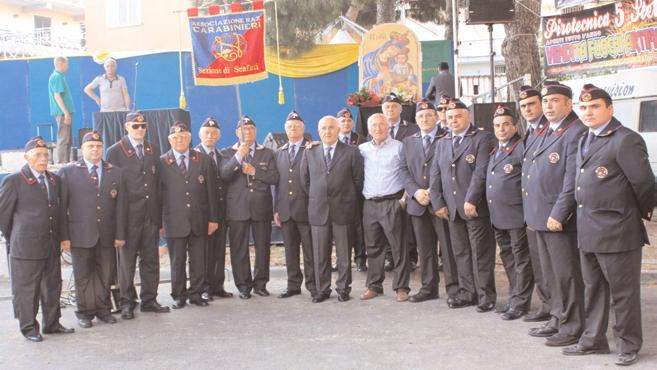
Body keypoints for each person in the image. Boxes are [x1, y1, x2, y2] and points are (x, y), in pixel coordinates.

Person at [562, 85, 655, 366]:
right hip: (588, 228)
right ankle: (594, 339)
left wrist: (629, 214)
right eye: (584, 107)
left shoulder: (625, 139)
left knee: (623, 294)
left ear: (610, 109)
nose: (588, 112)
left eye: (595, 107)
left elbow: (645, 184)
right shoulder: (584, 138)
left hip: (617, 231)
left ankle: (628, 345)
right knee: (594, 289)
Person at [524, 81, 586, 347]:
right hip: (539, 216)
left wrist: (559, 213)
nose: (549, 106)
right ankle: (558, 317)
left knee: (567, 275)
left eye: (555, 101)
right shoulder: (546, 131)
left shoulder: (575, 132)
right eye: (546, 102)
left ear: (569, 104)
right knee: (550, 275)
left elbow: (572, 180)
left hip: (559, 219)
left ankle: (572, 327)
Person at [0, 137, 74, 342]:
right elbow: (3, 215)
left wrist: (63, 237)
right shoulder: (14, 181)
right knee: (28, 290)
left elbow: (60, 212)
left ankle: (52, 323)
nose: (43, 159)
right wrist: (15, 236)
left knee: (52, 286)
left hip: (50, 243)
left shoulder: (54, 180)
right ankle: (29, 327)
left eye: (45, 155)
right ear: (26, 157)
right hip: (26, 246)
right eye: (37, 155)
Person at [429, 98, 497, 311]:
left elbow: (481, 172)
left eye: (458, 116)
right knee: (461, 253)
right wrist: (438, 202)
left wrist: (471, 199)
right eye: (450, 117)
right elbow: (436, 174)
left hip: (474, 208)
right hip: (452, 209)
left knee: (480, 253)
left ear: (468, 116)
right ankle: (468, 293)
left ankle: (486, 295)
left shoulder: (481, 138)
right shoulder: (441, 142)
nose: (454, 120)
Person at [59, 131, 127, 328]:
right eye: (90, 146)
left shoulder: (115, 172)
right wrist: (64, 237)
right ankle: (85, 312)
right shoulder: (68, 172)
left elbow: (121, 207)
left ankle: (103, 310)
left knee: (105, 274)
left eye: (98, 146)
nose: (95, 150)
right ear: (82, 149)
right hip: (79, 235)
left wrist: (120, 234)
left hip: (106, 234)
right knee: (83, 276)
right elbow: (62, 208)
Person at [105, 112, 169, 319]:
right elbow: (111, 187)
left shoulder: (152, 149)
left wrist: (159, 218)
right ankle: (127, 302)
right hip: (128, 217)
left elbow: (158, 185)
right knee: (127, 264)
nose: (140, 129)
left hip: (149, 216)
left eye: (143, 126)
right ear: (126, 127)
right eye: (135, 126)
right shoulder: (115, 151)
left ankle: (149, 299)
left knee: (151, 260)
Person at [301, 116, 364, 303]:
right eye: (323, 128)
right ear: (318, 131)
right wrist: (318, 195)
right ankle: (322, 289)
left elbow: (357, 180)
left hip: (343, 210)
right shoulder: (310, 152)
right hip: (318, 210)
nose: (327, 131)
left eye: (331, 128)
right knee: (320, 254)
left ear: (338, 130)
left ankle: (343, 288)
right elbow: (305, 181)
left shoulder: (352, 152)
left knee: (344, 254)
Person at [400, 99, 457, 304]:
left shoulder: (447, 137)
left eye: (429, 115)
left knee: (448, 249)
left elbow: (449, 170)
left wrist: (433, 193)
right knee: (425, 249)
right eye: (421, 116)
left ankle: (454, 288)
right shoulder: (408, 141)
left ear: (436, 117)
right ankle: (428, 287)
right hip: (418, 204)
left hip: (441, 203)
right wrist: (415, 192)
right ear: (416, 119)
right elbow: (403, 170)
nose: (425, 119)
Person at [160, 122, 218, 309]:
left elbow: (212, 192)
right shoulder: (162, 162)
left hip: (199, 219)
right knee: (177, 261)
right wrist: (160, 222)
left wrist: (213, 219)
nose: (179, 140)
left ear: (190, 138)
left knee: (198, 260)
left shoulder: (202, 160)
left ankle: (196, 293)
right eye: (176, 137)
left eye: (183, 137)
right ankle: (178, 295)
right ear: (169, 140)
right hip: (173, 220)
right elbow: (158, 195)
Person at [220, 116, 278, 299]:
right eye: (243, 129)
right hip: (237, 208)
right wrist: (238, 157)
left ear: (256, 131)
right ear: (237, 132)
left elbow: (274, 177)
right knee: (239, 248)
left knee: (263, 247)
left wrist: (254, 171)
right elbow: (224, 174)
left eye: (251, 129)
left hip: (261, 206)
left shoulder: (267, 153)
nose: (247, 132)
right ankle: (243, 285)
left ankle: (261, 284)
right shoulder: (227, 152)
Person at [485, 106, 534, 320]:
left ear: (515, 126)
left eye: (506, 124)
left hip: (516, 216)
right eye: (497, 125)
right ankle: (515, 296)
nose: (501, 129)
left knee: (521, 260)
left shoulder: (521, 147)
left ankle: (521, 302)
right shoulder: (496, 149)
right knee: (508, 259)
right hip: (499, 216)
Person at [358, 113, 410, 302]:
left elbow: (408, 174)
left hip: (392, 203)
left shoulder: (399, 147)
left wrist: (402, 201)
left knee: (398, 247)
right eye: (374, 125)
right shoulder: (362, 149)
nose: (378, 128)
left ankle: (401, 287)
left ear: (388, 127)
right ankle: (374, 286)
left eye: (381, 124)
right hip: (370, 204)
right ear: (368, 128)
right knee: (373, 247)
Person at [517, 85, 551, 323]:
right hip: (533, 211)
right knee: (540, 265)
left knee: (553, 269)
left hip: (549, 211)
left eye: (532, 104)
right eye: (523, 106)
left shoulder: (549, 130)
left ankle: (557, 311)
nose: (528, 109)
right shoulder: (528, 131)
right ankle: (547, 306)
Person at [273, 111, 316, 298]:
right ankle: (293, 285)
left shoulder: (311, 150)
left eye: (297, 126)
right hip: (285, 210)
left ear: (303, 128)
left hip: (305, 209)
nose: (293, 129)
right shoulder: (279, 153)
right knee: (290, 252)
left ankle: (314, 285)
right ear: (285, 129)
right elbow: (277, 184)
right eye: (290, 126)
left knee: (309, 251)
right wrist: (276, 209)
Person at [194, 117, 233, 299]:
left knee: (218, 251)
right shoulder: (193, 156)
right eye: (206, 133)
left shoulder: (223, 155)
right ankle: (204, 288)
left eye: (214, 133)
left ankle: (218, 285)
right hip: (202, 213)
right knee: (204, 252)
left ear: (219, 136)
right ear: (200, 135)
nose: (210, 136)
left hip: (221, 211)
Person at [381, 92, 419, 271]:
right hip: (386, 184)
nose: (390, 109)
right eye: (387, 107)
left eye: (394, 106)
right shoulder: (377, 128)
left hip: (406, 182)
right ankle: (390, 257)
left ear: (400, 109)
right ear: (382, 109)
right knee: (388, 223)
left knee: (407, 223)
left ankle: (411, 257)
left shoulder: (411, 128)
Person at [337, 107, 366, 272]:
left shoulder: (361, 139)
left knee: (359, 227)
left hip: (358, 191)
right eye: (343, 120)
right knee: (340, 228)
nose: (346, 123)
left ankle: (361, 259)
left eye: (349, 120)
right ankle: (341, 259)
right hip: (339, 193)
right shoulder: (332, 139)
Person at [48, 56, 75, 163]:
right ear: (61, 63)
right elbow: (57, 96)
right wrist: (66, 112)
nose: (68, 67)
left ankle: (66, 162)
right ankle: (62, 164)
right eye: (67, 64)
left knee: (68, 139)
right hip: (62, 113)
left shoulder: (60, 77)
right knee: (63, 139)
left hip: (65, 112)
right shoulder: (57, 77)